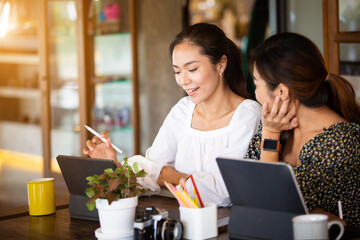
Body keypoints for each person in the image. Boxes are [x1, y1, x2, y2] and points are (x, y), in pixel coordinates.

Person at [84, 23, 262, 206]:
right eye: (177, 71)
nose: (183, 80)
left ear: (220, 65)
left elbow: (225, 191)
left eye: (192, 69)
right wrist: (115, 167)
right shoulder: (183, 110)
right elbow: (149, 170)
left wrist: (172, 177)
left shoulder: (248, 115)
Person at [246, 32, 360, 229]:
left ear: (282, 92)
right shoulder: (276, 122)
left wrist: (271, 136)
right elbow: (247, 186)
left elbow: (271, 205)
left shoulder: (340, 141)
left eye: (256, 84)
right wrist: (270, 131)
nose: (255, 92)